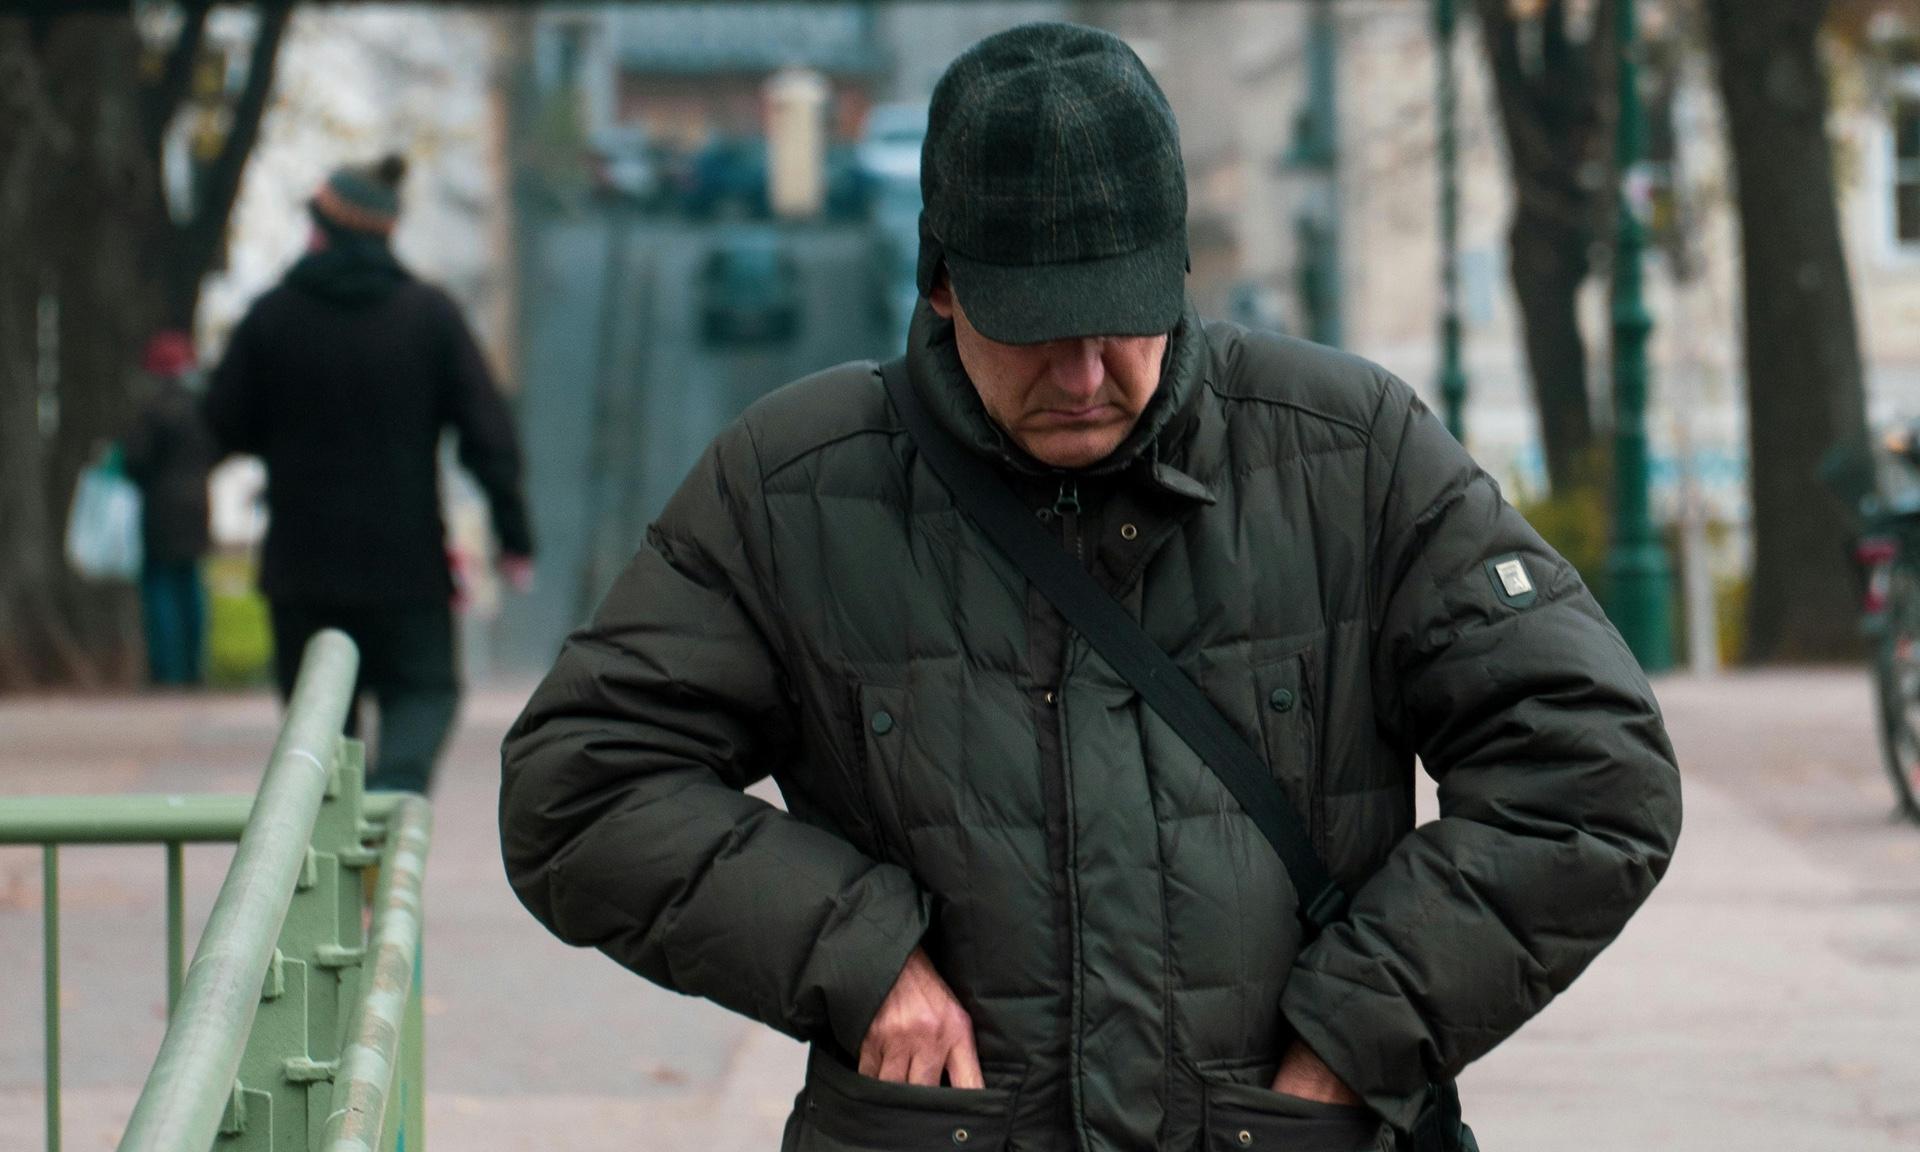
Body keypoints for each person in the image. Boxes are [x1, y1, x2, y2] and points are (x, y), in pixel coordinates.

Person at [500, 23, 1681, 1152]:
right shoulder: (793, 485)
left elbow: (1593, 772)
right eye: (1037, 328)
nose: (1082, 374)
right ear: (943, 284)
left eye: (1121, 319)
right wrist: (854, 953)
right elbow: (579, 787)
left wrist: (1361, 1027)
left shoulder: (1351, 451)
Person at [207, 154, 534, 795]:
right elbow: (488, 435)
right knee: (424, 690)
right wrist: (514, 535)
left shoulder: (273, 317)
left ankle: (341, 833)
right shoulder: (429, 317)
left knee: (318, 721)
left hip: (301, 564)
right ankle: (391, 801)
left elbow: (223, 424)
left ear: (323, 231)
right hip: (405, 562)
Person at [123, 330, 217, 687]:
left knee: (160, 588)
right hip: (196, 507)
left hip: (160, 509)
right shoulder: (202, 408)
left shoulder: (153, 411)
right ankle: (194, 668)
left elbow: (136, 460)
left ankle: (166, 671)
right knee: (191, 586)